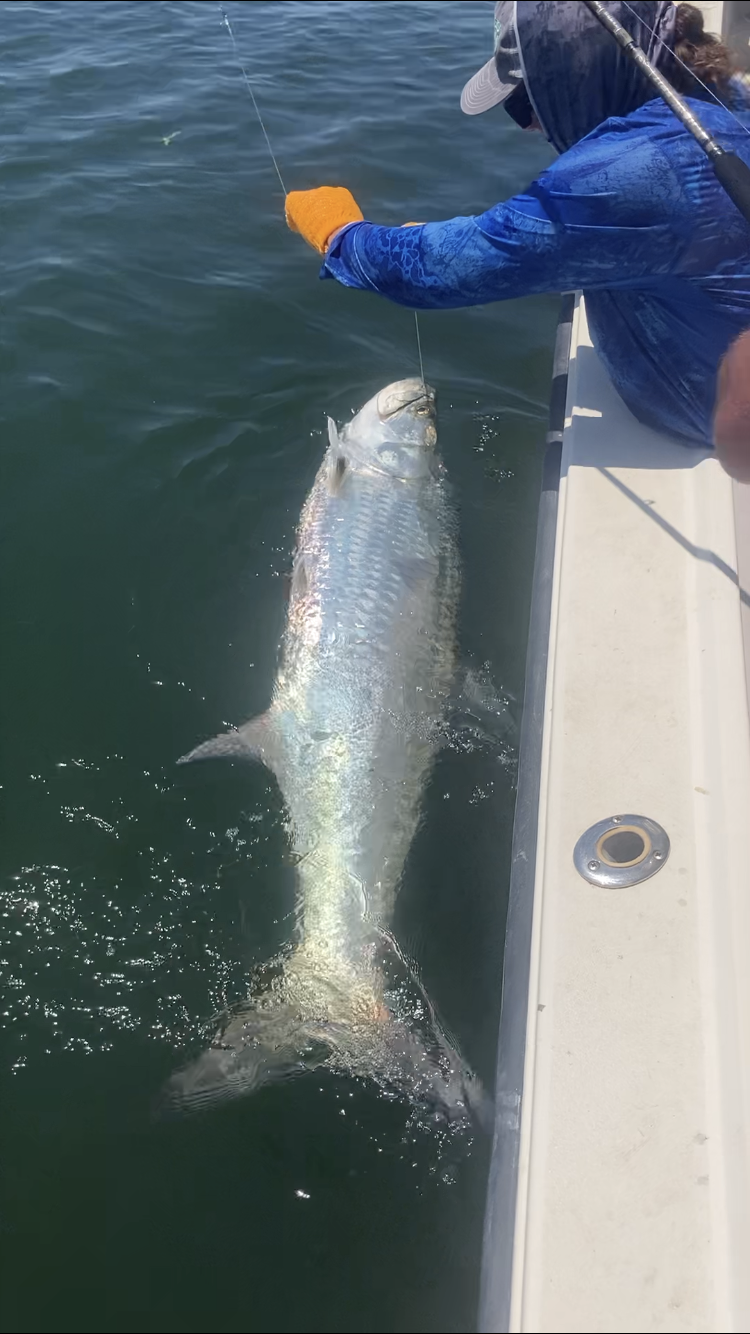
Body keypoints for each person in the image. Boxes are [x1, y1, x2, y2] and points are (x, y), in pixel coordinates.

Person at [285, 2, 750, 479]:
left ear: (578, 72)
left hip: (712, 421)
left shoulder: (634, 173)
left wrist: (339, 236)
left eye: (526, 101)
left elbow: (441, 270)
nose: (528, 124)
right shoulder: (721, 95)